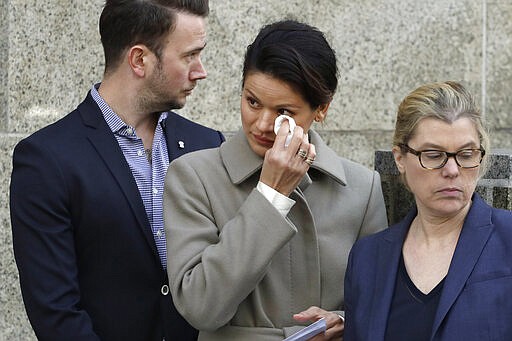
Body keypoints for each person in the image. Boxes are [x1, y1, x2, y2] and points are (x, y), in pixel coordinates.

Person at [9, 1, 224, 340]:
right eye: (189, 56)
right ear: (139, 60)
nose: (200, 71)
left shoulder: (208, 144)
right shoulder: (46, 160)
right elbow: (57, 313)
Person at [163, 19, 388, 340]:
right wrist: (270, 194)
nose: (263, 124)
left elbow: (377, 305)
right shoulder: (194, 176)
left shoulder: (362, 188)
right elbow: (200, 306)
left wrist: (342, 320)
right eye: (252, 101)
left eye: (284, 110)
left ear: (321, 109)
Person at [344, 81, 512, 340]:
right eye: (434, 155)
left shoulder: (507, 237)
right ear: (400, 159)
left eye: (467, 154)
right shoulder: (367, 258)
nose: (453, 170)